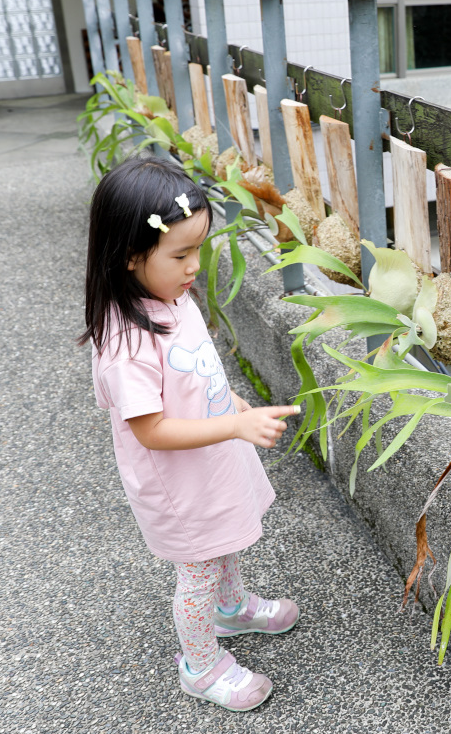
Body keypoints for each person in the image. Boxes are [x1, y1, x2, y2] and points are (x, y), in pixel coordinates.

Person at [79, 155, 301, 712]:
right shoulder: (125, 341)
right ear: (130, 257)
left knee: (223, 541)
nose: (194, 265)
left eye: (197, 249)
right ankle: (200, 665)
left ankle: (230, 608)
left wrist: (236, 405)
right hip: (179, 481)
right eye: (180, 253)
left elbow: (196, 373)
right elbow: (151, 429)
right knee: (198, 564)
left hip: (209, 456)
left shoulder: (170, 298)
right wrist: (234, 423)